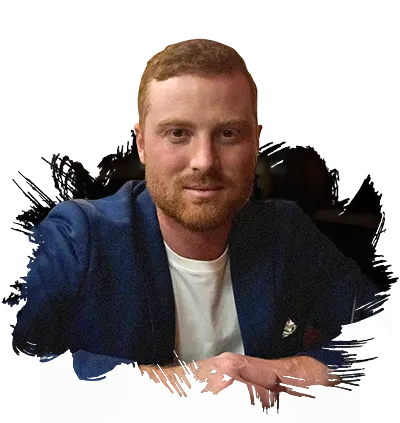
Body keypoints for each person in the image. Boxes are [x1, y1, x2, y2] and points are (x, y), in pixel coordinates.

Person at [11, 39, 380, 422]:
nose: (204, 161)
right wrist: (170, 389)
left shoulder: (283, 232)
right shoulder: (77, 236)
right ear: (141, 143)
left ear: (256, 142)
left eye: (228, 134)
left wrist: (289, 378)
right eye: (178, 133)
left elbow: (378, 329)